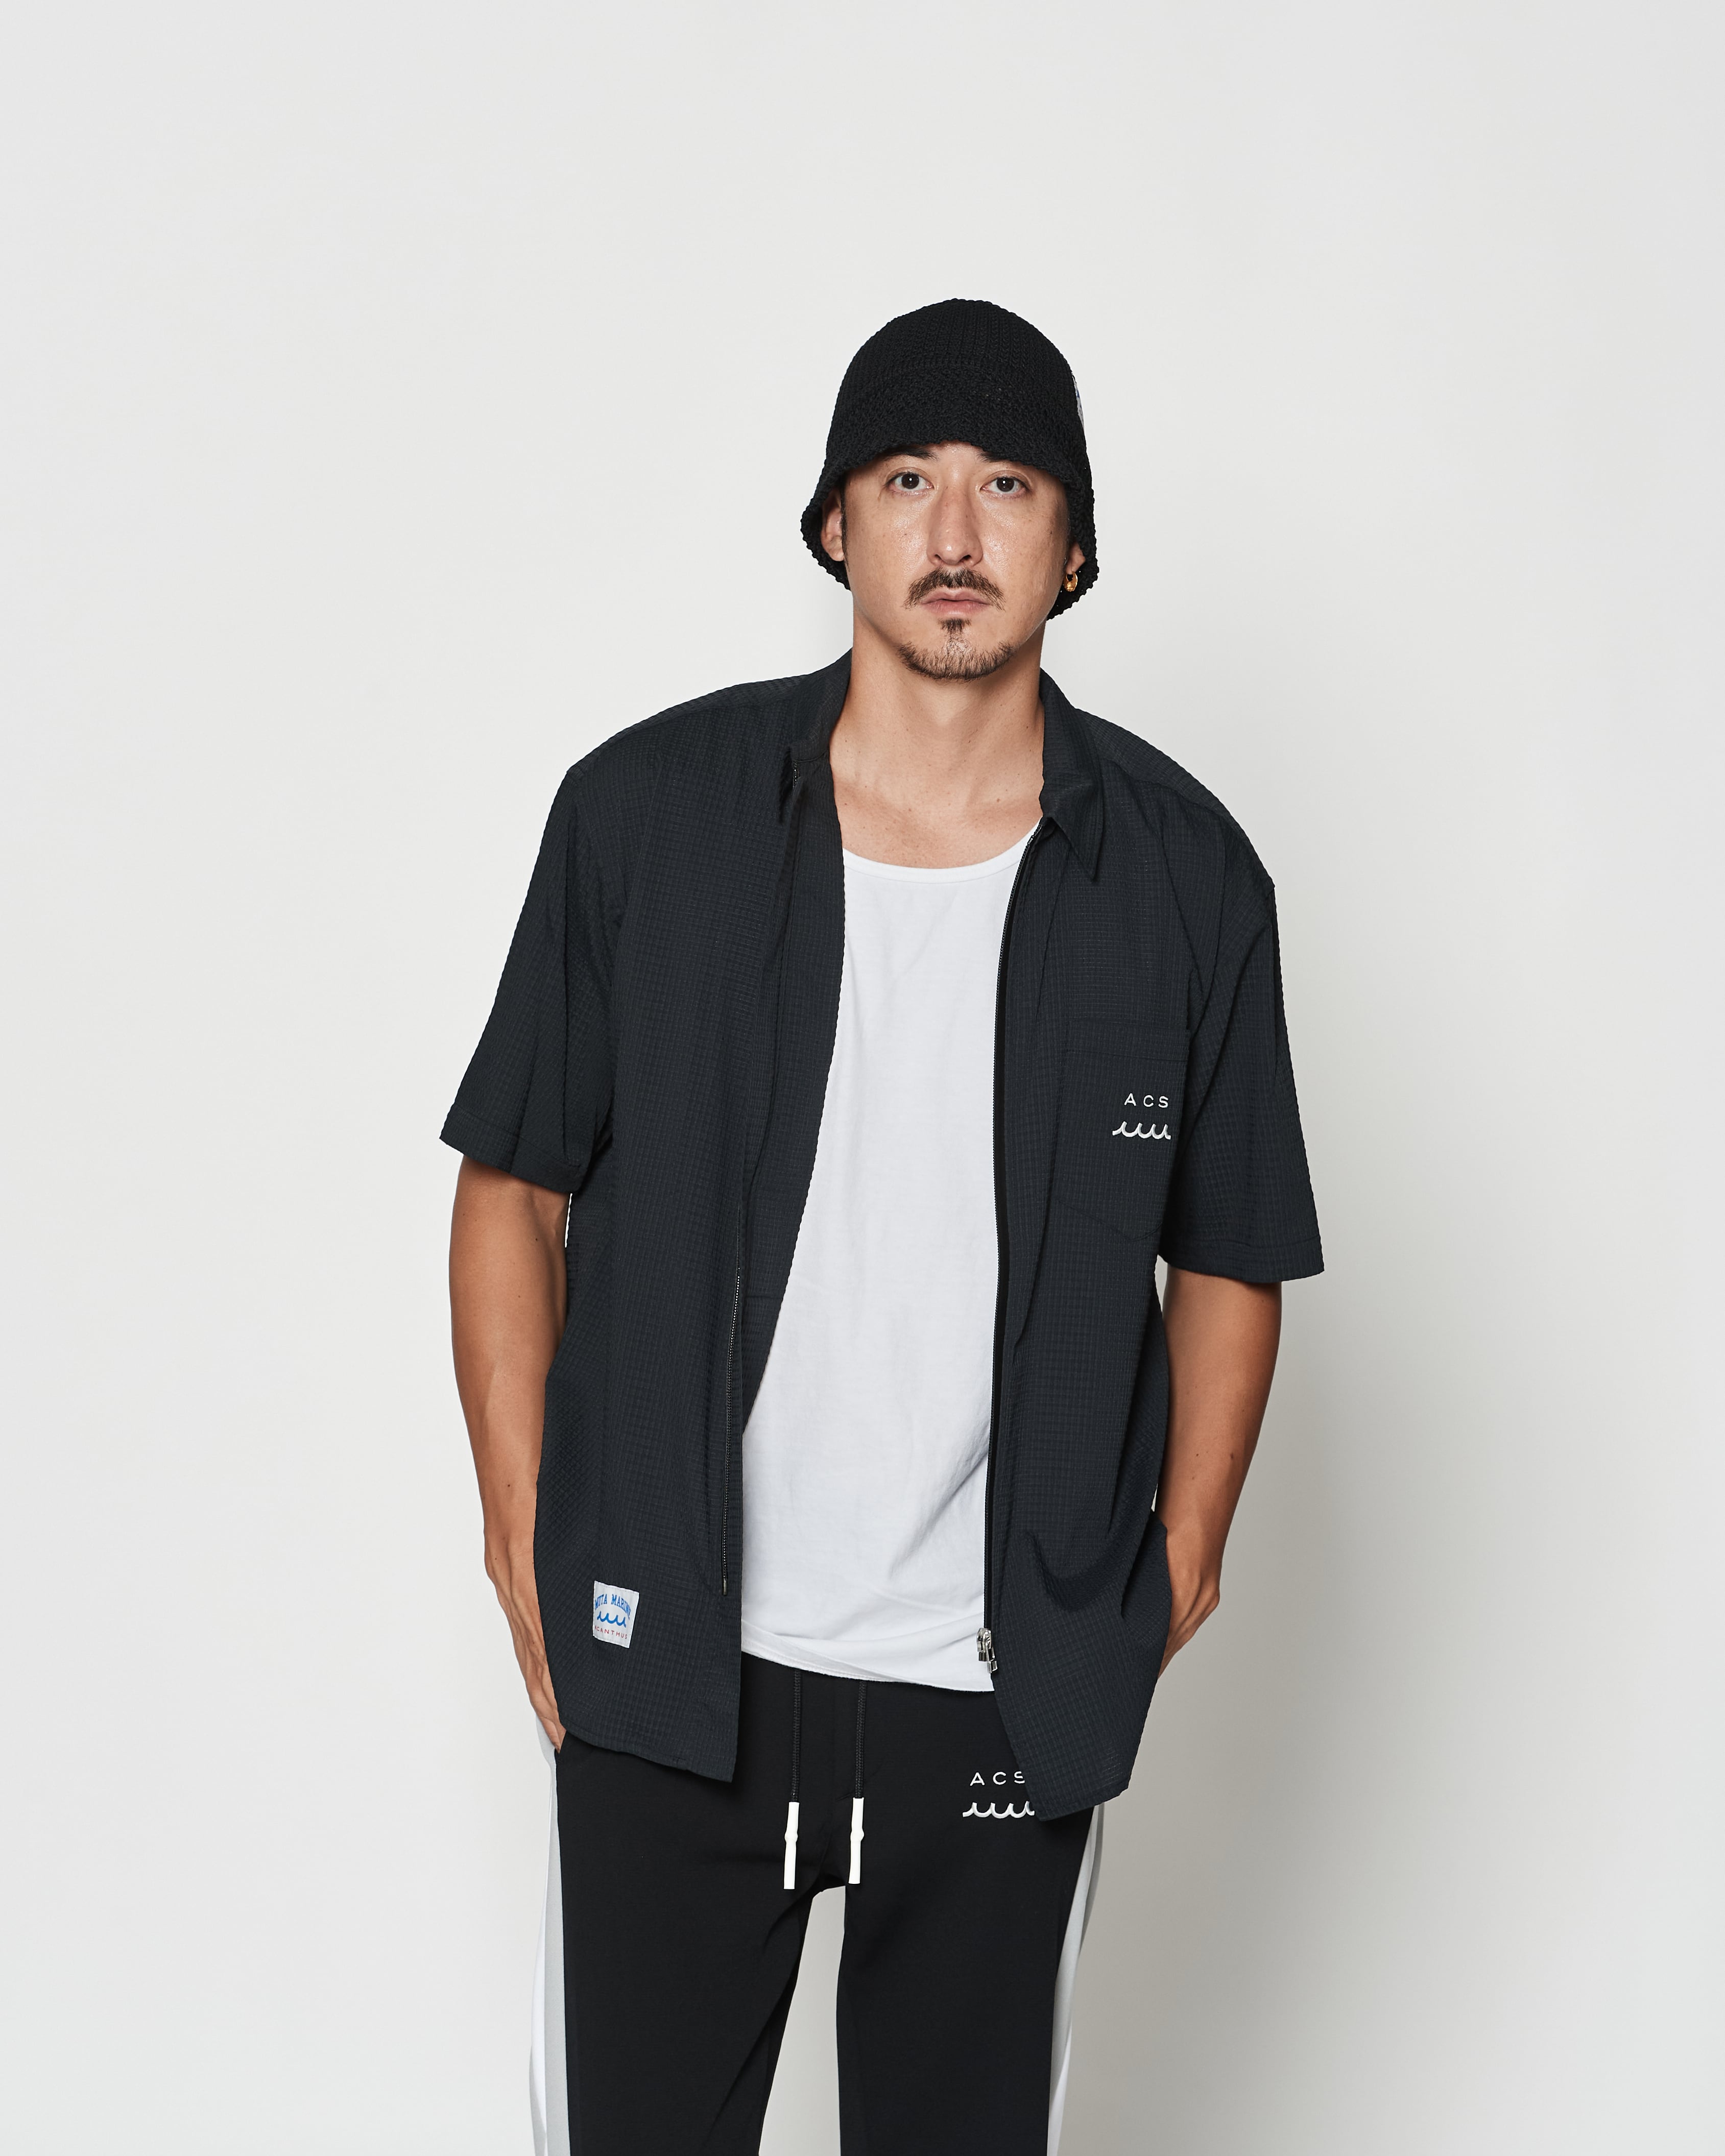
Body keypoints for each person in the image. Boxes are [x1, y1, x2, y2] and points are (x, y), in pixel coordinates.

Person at [444, 297, 1322, 2155]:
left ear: (1069, 549)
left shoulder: (1183, 876)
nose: (954, 531)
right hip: (676, 1676)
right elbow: (511, 1189)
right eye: (908, 478)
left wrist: (1168, 1568)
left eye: (1008, 486)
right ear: (835, 523)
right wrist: (527, 1543)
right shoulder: (645, 821)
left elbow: (1230, 1256)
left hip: (996, 1702)